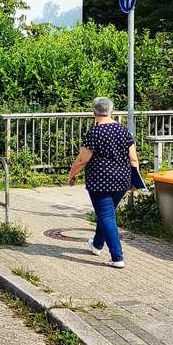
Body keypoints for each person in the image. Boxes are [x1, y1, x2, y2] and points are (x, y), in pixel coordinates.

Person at [67, 96, 139, 269]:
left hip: (100, 182)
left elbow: (82, 160)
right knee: (106, 213)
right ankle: (97, 245)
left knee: (106, 216)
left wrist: (71, 175)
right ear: (111, 111)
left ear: (94, 112)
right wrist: (135, 180)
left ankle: (117, 257)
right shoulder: (123, 131)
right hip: (122, 180)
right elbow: (134, 159)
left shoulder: (95, 132)